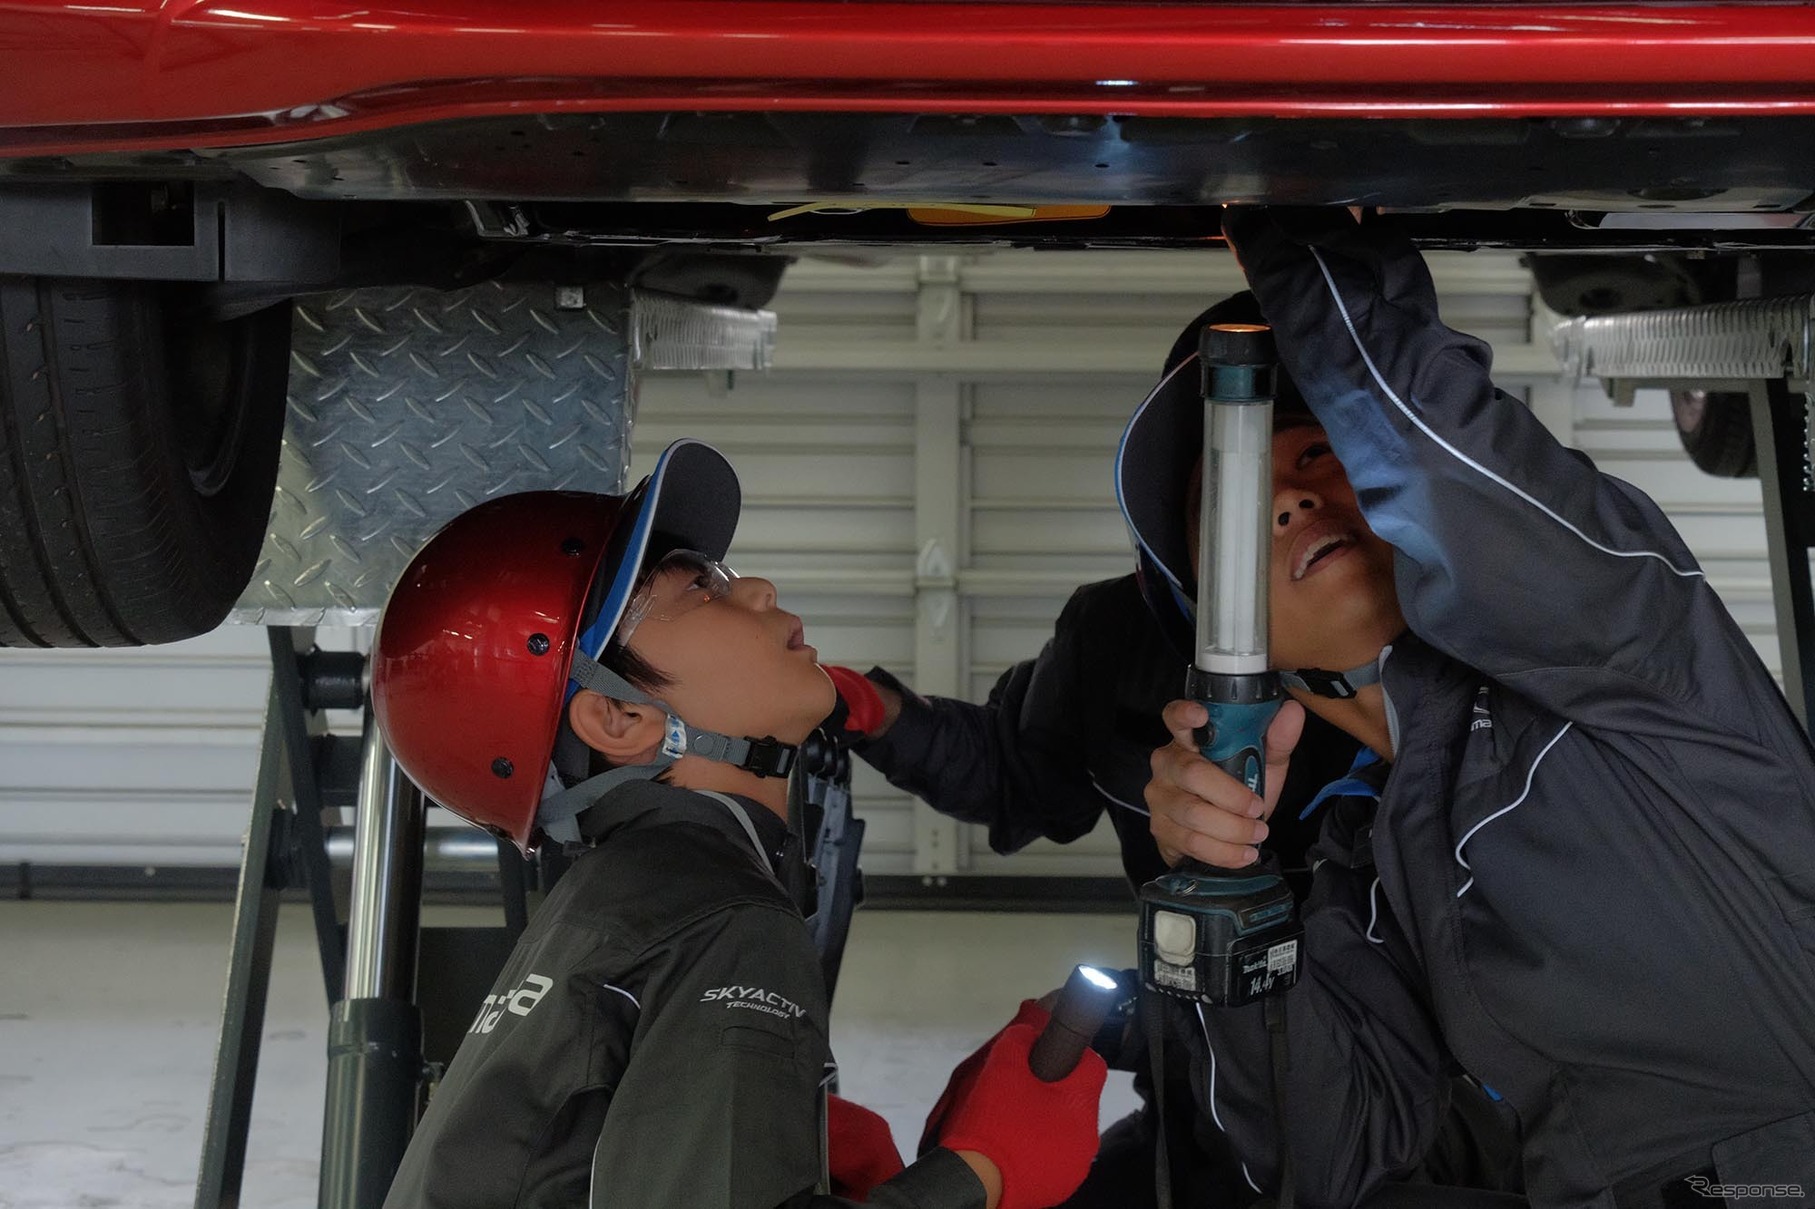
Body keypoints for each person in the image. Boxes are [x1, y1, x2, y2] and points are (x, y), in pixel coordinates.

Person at [1143, 207, 1815, 1206]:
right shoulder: (1367, 869)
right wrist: (1218, 899)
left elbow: (1433, 455)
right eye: (1232, 512)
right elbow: (1334, 1155)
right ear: (1234, 635)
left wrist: (1285, 210)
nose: (1287, 497)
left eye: (1320, 454)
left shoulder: (1610, 647)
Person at [822, 295, 1519, 1206]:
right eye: (1228, 484)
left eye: (1317, 451)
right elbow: (1020, 777)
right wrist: (870, 708)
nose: (1287, 499)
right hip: (1204, 1099)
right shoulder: (1117, 635)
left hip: (1438, 1130)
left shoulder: (1518, 680)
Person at [370, 438, 1107, 1209]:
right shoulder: (722, 915)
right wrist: (980, 1169)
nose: (755, 587)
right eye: (697, 591)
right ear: (620, 717)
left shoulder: (618, 901)